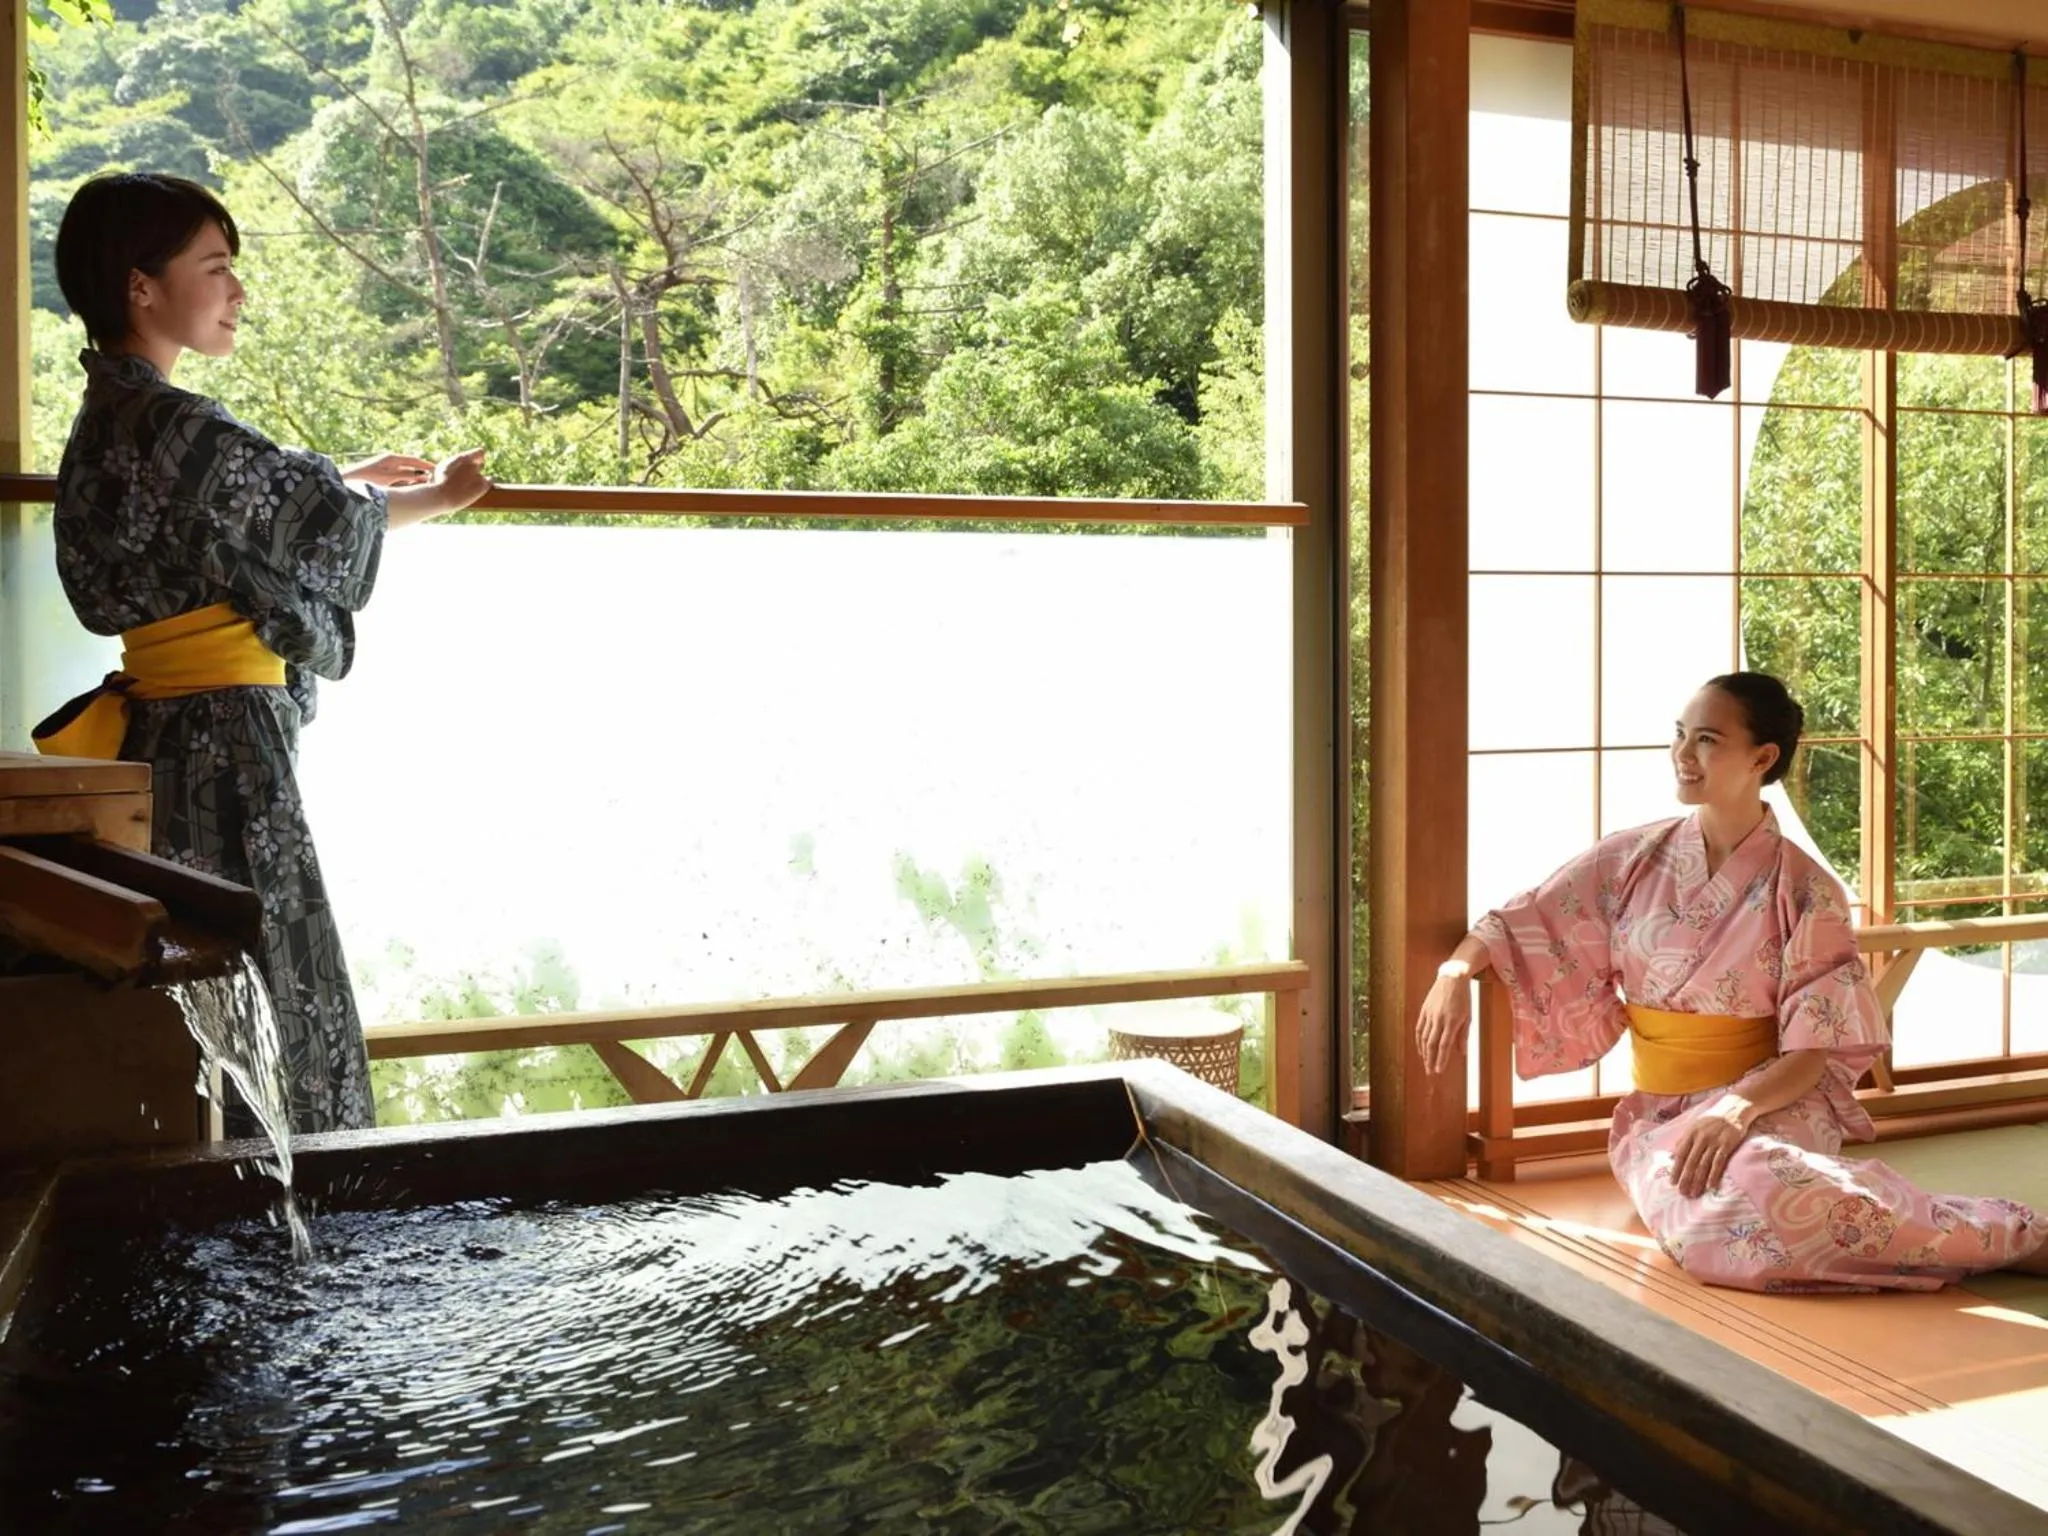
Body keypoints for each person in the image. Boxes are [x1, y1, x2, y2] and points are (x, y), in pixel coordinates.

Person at [34, 171, 492, 1134]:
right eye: (216, 268)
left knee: (206, 985)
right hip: (229, 742)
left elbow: (225, 514)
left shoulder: (112, 416)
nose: (237, 291)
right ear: (141, 286)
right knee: (278, 975)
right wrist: (439, 496)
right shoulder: (175, 423)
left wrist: (344, 475)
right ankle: (313, 1185)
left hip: (160, 737)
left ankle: (224, 1181)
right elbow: (314, 522)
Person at [1415, 671, 2048, 1291]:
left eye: (1707, 740)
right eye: (1680, 734)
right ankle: (1986, 1236)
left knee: (1771, 1185)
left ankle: (2013, 1236)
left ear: (1762, 757)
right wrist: (1454, 970)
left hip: (1774, 1100)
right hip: (1660, 1115)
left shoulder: (1807, 890)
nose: (1682, 754)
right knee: (1720, 1228)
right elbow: (1519, 921)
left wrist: (1736, 1109)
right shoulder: (1628, 858)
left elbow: (1811, 1051)